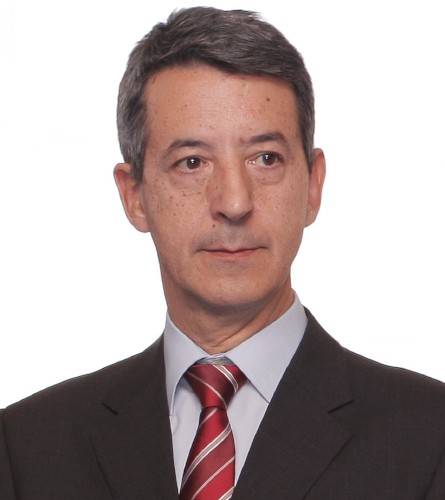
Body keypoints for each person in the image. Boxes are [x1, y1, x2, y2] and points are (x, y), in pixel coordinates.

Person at [1, 6, 445, 499]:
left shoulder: (430, 436)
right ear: (134, 196)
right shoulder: (28, 447)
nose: (234, 202)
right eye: (192, 162)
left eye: (265, 159)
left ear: (313, 185)